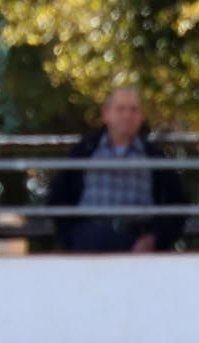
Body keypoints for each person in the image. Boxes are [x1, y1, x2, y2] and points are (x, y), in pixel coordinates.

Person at [50, 88, 187, 253]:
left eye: (134, 110)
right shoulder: (85, 150)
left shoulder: (153, 155)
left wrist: (155, 239)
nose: (127, 115)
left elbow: (179, 203)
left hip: (137, 243)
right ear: (106, 114)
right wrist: (72, 238)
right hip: (89, 239)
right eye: (120, 109)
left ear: (141, 116)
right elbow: (57, 197)